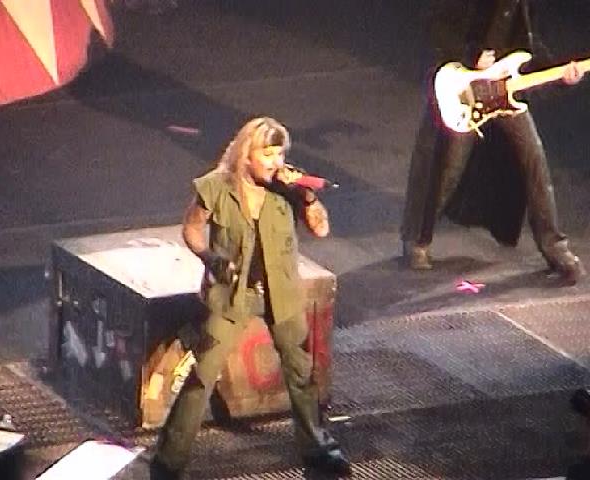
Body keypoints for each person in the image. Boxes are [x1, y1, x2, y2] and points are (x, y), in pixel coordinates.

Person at [151, 117, 351, 479]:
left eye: (280, 154)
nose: (276, 162)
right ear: (247, 154)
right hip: (231, 294)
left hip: (281, 293)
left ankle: (318, 448)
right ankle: (168, 461)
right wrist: (209, 257)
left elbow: (321, 229)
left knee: (301, 373)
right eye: (267, 154)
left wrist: (306, 194)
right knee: (202, 376)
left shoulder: (287, 188)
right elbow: (192, 227)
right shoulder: (215, 186)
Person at [400, 0, 585, 284]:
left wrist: (561, 75)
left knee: (534, 160)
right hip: (464, 87)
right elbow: (437, 23)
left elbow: (528, 45)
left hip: (503, 89)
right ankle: (417, 238)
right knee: (447, 169)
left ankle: (555, 247)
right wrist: (470, 56)